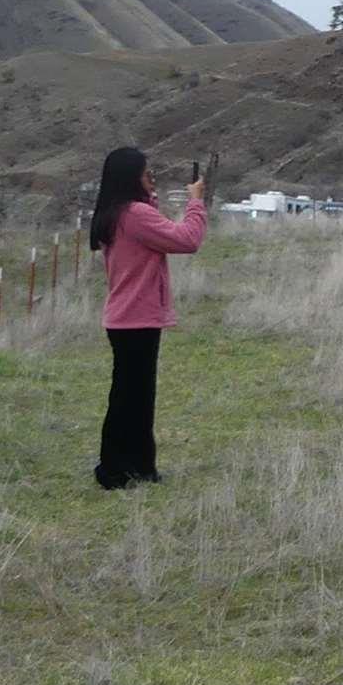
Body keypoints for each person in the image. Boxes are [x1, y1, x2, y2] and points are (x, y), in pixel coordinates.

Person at [86, 144, 207, 490]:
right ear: (130, 177)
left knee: (132, 396)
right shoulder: (135, 215)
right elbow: (188, 239)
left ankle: (137, 467)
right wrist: (196, 202)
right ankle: (116, 470)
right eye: (145, 172)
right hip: (137, 318)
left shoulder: (117, 212)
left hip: (126, 317)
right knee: (131, 399)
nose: (150, 177)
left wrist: (150, 197)